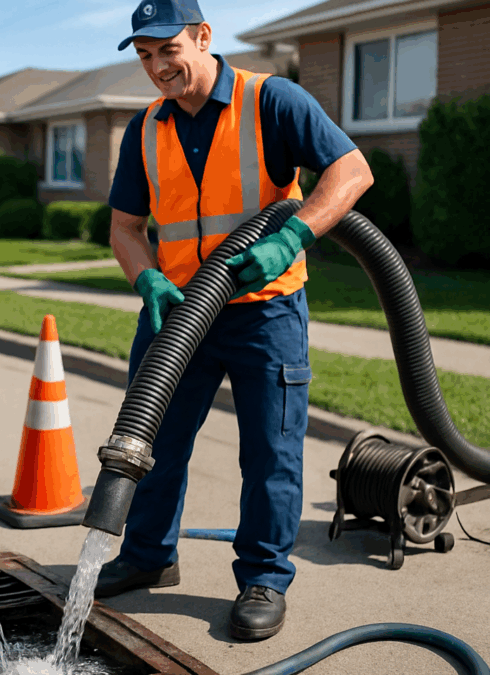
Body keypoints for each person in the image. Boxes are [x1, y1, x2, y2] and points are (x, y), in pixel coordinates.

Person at [94, 0, 373, 641]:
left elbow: (352, 170)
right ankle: (147, 556)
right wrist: (147, 278)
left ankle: (264, 579)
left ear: (202, 37)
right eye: (144, 56)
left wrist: (291, 237)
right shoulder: (144, 129)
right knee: (153, 444)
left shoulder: (272, 101)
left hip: (264, 310)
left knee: (269, 454)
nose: (157, 66)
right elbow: (126, 227)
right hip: (180, 313)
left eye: (168, 49)